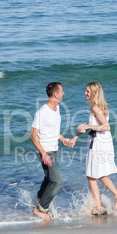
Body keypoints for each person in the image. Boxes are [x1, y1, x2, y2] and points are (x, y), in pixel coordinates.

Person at [70, 82, 117, 215]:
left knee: (96, 174)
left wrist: (88, 127)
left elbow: (107, 126)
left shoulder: (95, 108)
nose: (85, 93)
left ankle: (116, 197)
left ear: (94, 93)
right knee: (92, 174)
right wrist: (75, 137)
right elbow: (91, 124)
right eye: (86, 91)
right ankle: (99, 205)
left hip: (99, 142)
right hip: (99, 141)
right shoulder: (99, 107)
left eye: (88, 91)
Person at [31, 82, 71, 220]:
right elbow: (33, 135)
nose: (63, 93)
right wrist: (43, 154)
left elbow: (52, 131)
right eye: (62, 91)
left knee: (50, 179)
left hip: (54, 148)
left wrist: (62, 138)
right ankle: (40, 209)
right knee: (57, 182)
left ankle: (41, 196)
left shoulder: (57, 108)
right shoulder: (42, 112)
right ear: (55, 94)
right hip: (45, 150)